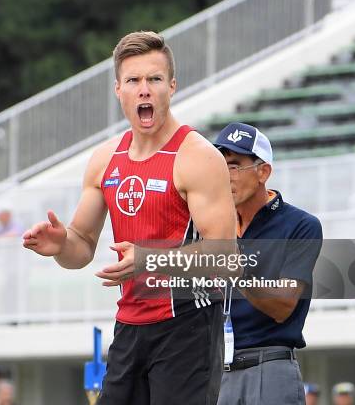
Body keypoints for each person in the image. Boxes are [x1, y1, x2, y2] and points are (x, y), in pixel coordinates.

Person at [23, 31, 236, 404]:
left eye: (154, 79)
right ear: (118, 90)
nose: (145, 90)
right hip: (130, 325)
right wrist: (60, 245)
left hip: (188, 323)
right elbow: (82, 246)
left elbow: (223, 255)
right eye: (134, 80)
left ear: (172, 86)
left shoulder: (197, 156)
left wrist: (149, 260)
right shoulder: (105, 159)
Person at [214, 123, 323, 405]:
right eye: (220, 167)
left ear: (263, 172)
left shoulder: (300, 225)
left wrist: (237, 272)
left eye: (234, 166)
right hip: (215, 371)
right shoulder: (212, 225)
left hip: (269, 367)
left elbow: (283, 306)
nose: (225, 177)